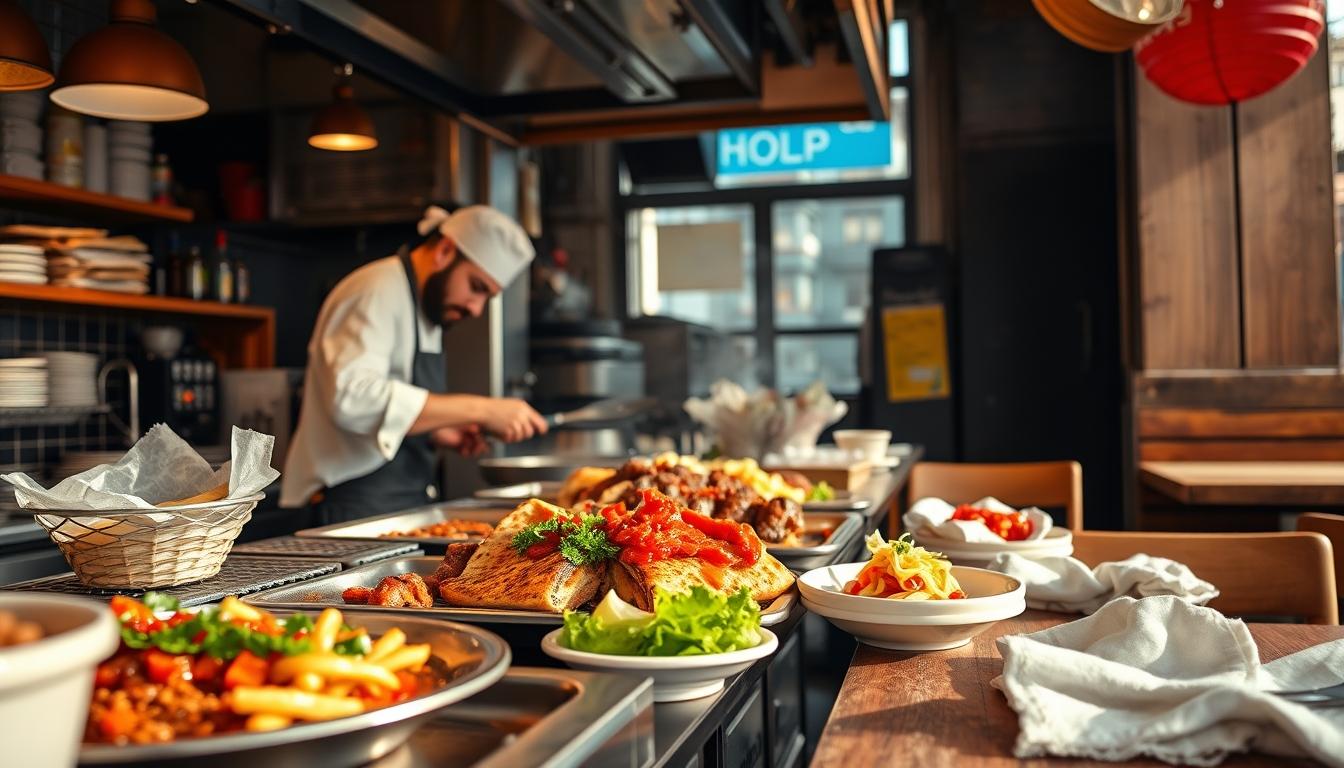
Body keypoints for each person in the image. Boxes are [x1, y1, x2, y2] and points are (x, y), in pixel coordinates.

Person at [280, 205, 548, 522]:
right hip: (347, 502)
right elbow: (351, 397)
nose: (476, 309)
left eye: (486, 298)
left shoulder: (427, 310)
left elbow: (390, 408)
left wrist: (436, 431)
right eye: (476, 288)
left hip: (397, 500)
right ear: (445, 250)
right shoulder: (376, 289)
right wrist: (484, 409)